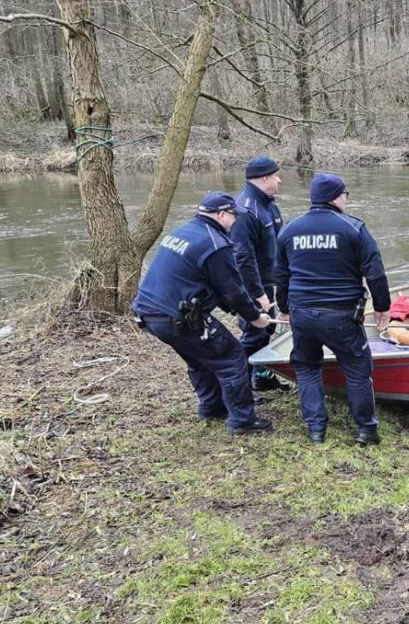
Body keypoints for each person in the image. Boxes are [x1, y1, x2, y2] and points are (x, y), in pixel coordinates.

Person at [132, 192, 273, 435]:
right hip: (177, 318)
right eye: (233, 216)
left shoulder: (182, 231)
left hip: (148, 312)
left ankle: (212, 407)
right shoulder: (215, 244)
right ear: (221, 215)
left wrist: (239, 309)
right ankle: (242, 421)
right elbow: (233, 290)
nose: (235, 221)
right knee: (231, 357)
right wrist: (255, 316)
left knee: (199, 358)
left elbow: (209, 285)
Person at [274, 174, 391, 445]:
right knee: (357, 370)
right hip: (342, 315)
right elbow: (375, 273)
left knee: (306, 368)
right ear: (338, 197)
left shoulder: (290, 229)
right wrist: (383, 307)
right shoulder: (353, 228)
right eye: (345, 195)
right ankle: (366, 430)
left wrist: (284, 308)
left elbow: (280, 275)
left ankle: (316, 430)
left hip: (302, 312)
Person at [231, 156, 285, 392]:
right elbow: (242, 257)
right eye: (276, 176)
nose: (279, 180)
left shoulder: (269, 204)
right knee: (254, 331)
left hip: (269, 279)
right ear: (265, 178)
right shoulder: (244, 210)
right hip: (252, 284)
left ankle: (262, 376)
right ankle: (240, 387)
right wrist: (257, 292)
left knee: (267, 329)